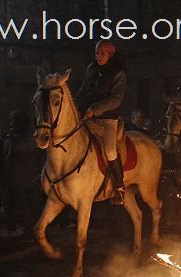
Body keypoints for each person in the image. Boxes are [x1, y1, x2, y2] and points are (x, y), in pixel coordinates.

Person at [75, 40, 127, 204]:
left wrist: (95, 109)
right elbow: (83, 91)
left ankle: (119, 188)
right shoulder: (91, 69)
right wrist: (74, 107)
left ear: (110, 54)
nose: (98, 56)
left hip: (107, 120)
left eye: (102, 53)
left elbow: (115, 100)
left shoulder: (119, 73)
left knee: (110, 150)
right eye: (97, 53)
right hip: (89, 118)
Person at [3, 110, 44, 242]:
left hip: (17, 178)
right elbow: (40, 156)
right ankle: (39, 229)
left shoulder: (12, 139)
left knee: (23, 206)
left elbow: (7, 158)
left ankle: (29, 231)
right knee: (35, 204)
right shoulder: (34, 138)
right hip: (33, 176)